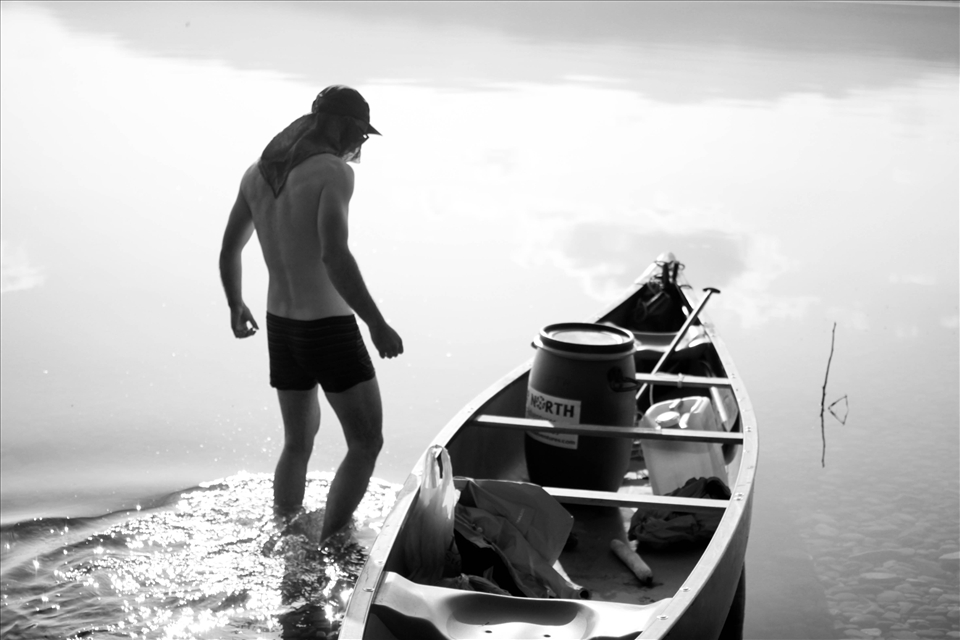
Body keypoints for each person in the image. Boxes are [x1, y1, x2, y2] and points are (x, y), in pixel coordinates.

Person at [219, 85, 403, 542]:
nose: (358, 145)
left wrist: (235, 303)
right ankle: (330, 544)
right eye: (359, 133)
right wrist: (376, 323)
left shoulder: (256, 175)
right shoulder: (333, 173)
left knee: (297, 444)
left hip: (280, 328)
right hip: (328, 330)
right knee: (366, 442)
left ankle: (284, 536)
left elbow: (228, 250)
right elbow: (334, 257)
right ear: (342, 126)